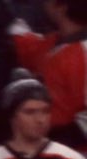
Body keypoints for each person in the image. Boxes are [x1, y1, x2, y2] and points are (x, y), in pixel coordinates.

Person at [43, 0, 87, 148]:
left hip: (73, 151)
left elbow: (57, 123)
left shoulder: (63, 58)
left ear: (61, 7)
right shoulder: (52, 46)